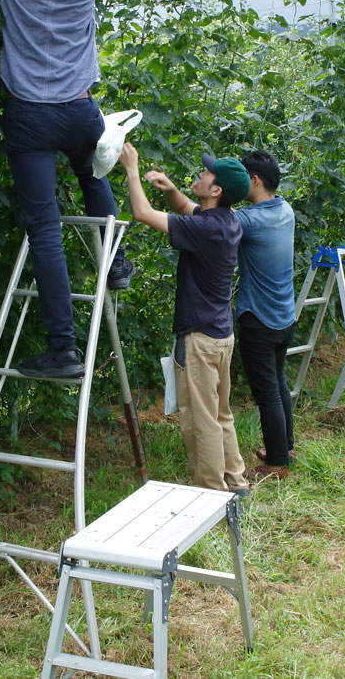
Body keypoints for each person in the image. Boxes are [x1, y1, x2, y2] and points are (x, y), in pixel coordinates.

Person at [0, 0, 135, 380]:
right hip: (78, 109)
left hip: (29, 112)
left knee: (44, 228)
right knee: (94, 165)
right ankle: (114, 262)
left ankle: (63, 350)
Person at [119, 145, 250, 493]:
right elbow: (185, 208)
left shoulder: (205, 228)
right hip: (221, 336)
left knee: (200, 421)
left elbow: (143, 213)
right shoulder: (227, 221)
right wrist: (172, 188)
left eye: (207, 174)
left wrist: (132, 169)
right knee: (220, 414)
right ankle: (236, 482)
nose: (202, 173)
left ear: (216, 190)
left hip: (200, 339)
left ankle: (211, 494)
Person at [235, 150, 296, 480]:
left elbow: (205, 218)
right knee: (279, 384)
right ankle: (283, 447)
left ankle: (275, 464)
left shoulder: (251, 220)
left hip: (259, 320)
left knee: (268, 393)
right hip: (285, 318)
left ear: (254, 180)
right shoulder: (286, 210)